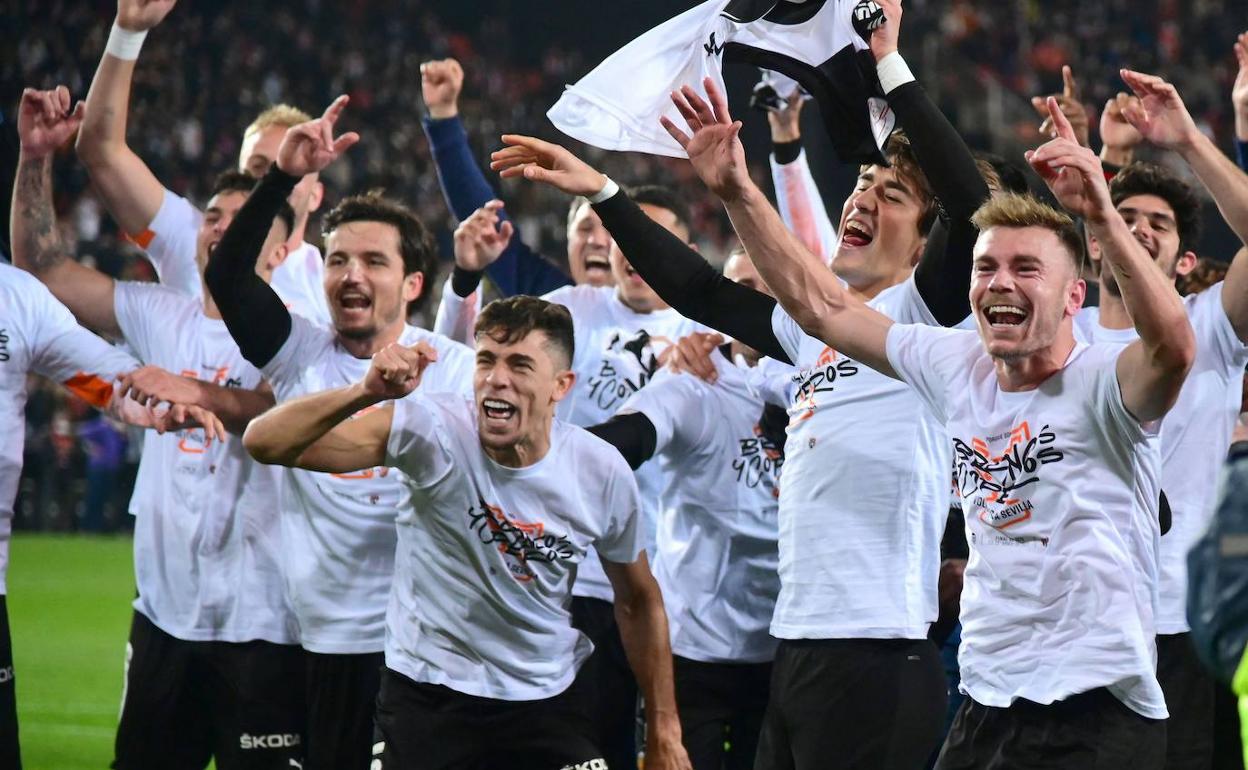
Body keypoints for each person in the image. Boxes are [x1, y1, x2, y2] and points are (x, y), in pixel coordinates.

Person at [492, 3, 988, 765]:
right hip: (795, 648)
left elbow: (971, 206)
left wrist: (890, 66)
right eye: (859, 186)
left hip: (881, 654)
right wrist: (603, 194)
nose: (861, 199)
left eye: (889, 196)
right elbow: (706, 292)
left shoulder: (929, 316)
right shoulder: (815, 332)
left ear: (927, 240)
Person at [666, 65, 1193, 765]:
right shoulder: (953, 364)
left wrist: (1100, 215)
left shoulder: (1104, 382)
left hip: (1094, 711)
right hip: (985, 701)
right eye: (986, 268)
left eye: (1026, 270)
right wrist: (735, 188)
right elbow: (821, 308)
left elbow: (1175, 348)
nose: (1000, 282)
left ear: (1075, 301)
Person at [242, 295, 693, 770]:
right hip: (428, 698)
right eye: (486, 361)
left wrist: (664, 728)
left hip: (546, 701)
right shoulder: (430, 431)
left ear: (562, 385)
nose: (498, 378)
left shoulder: (600, 472)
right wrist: (365, 391)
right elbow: (264, 441)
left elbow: (639, 600)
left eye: (520, 365)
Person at [13, 84, 307, 770]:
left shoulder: (298, 333)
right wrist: (35, 159)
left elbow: (280, 414)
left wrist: (194, 389)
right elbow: (43, 268)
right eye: (212, 215)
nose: (220, 227)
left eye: (244, 218)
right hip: (164, 621)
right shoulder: (157, 313)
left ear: (284, 249)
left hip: (264, 628)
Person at [204, 96, 476, 770]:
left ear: (412, 282)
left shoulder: (459, 370)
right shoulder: (298, 350)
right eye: (337, 260)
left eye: (373, 262)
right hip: (323, 642)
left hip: (428, 647)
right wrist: (281, 181)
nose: (351, 275)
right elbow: (229, 277)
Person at [442, 190, 710, 767]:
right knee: (584, 748)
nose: (637, 253)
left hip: (674, 587)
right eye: (628, 239)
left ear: (684, 252)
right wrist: (465, 277)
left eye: (655, 242)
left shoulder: (707, 334)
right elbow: (458, 368)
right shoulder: (568, 311)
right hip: (572, 575)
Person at [1074, 69, 1248, 770]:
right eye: (1124, 219)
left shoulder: (1212, 328)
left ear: (1184, 261)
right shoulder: (1053, 338)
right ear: (1093, 245)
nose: (1139, 230)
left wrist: (1189, 142)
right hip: (1075, 630)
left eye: (1159, 224)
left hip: (1179, 625)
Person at [585, 249, 784, 770]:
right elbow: (627, 438)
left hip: (788, 647)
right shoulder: (694, 380)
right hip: (693, 647)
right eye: (739, 286)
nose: (752, 302)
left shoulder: (831, 381)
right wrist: (545, 450)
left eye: (767, 286)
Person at [75, 0, 330, 324]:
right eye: (257, 167)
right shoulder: (194, 234)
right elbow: (101, 152)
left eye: (290, 170)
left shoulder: (328, 285)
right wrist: (128, 33)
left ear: (317, 195)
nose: (273, 180)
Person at [421, 57, 613, 296]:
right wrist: (444, 117)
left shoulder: (673, 315)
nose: (597, 240)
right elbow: (485, 220)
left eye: (612, 232)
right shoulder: (552, 299)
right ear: (568, 240)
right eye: (584, 228)